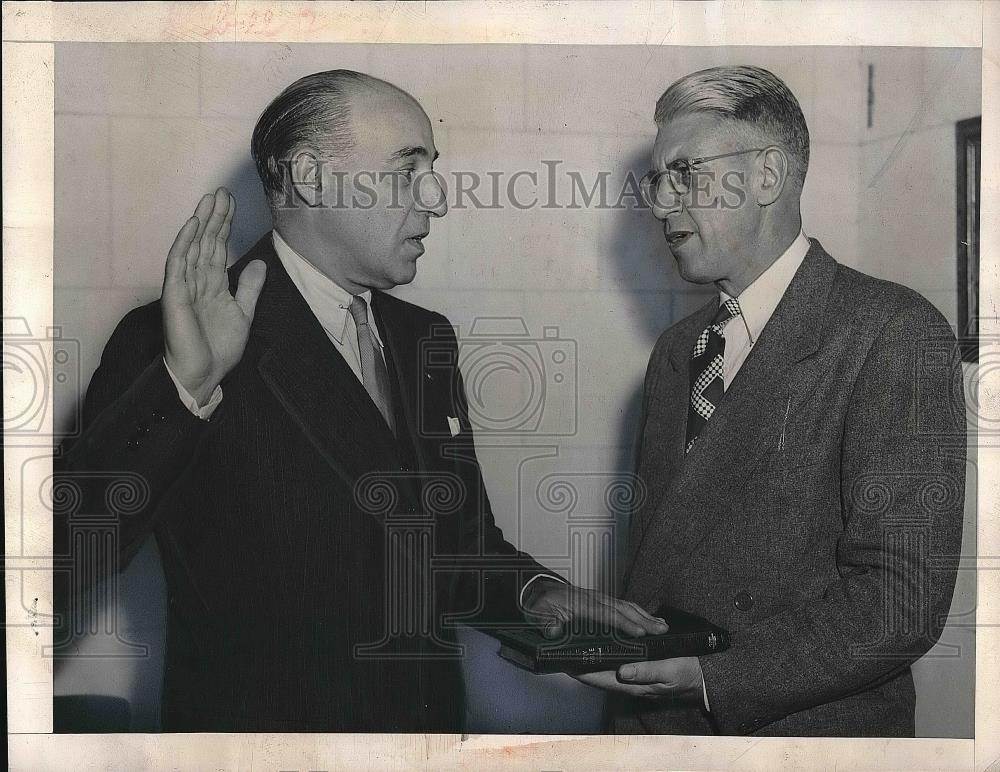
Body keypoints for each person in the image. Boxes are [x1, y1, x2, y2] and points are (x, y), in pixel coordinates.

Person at [53, 70, 667, 732]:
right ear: (311, 178)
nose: (437, 198)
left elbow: (455, 548)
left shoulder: (422, 337)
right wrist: (185, 388)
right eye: (408, 171)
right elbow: (65, 557)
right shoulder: (170, 338)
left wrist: (539, 594)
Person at [576, 65, 967, 736]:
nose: (664, 204)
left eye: (686, 174)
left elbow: (901, 603)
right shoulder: (677, 351)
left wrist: (713, 680)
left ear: (767, 175)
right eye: (658, 181)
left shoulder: (894, 331)